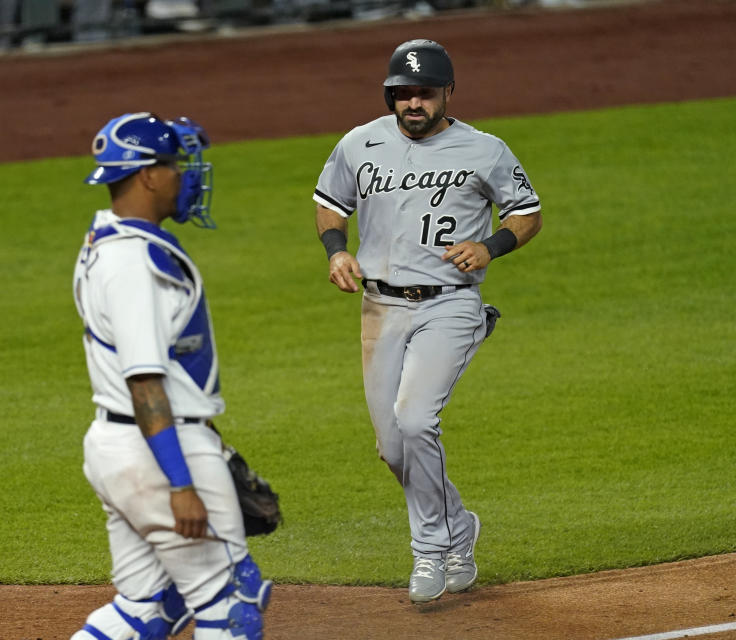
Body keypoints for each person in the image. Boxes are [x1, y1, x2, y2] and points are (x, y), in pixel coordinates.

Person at [312, 39, 542, 604]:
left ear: (447, 94)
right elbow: (330, 204)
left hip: (450, 305)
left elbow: (527, 212)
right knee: (393, 447)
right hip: (380, 307)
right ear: (391, 94)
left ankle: (430, 550)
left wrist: (490, 247)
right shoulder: (359, 142)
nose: (414, 103)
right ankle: (461, 528)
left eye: (425, 93)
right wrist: (337, 251)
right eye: (403, 93)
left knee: (416, 421)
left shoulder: (484, 149)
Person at [70, 112, 271, 639]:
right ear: (148, 175)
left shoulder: (105, 239)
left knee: (148, 606)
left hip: (119, 445)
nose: (185, 176)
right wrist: (181, 482)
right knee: (230, 603)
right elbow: (145, 381)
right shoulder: (134, 262)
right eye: (176, 165)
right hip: (156, 450)